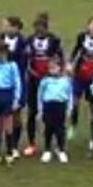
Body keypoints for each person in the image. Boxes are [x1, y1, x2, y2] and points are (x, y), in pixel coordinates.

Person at [22, 13, 62, 158]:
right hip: (33, 81)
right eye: (36, 28)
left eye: (41, 28)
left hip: (50, 82)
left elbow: (59, 58)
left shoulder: (54, 40)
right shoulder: (29, 41)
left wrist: (54, 73)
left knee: (52, 114)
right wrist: (31, 72)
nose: (39, 31)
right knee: (32, 112)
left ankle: (55, 144)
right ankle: (31, 143)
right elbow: (25, 60)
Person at [36, 57, 72, 164]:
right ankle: (47, 150)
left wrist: (69, 109)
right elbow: (40, 95)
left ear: (60, 68)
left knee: (60, 129)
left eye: (55, 68)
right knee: (48, 128)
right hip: (48, 106)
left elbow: (69, 95)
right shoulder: (45, 81)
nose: (52, 70)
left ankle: (61, 150)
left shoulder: (66, 81)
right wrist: (40, 110)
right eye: (50, 68)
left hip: (60, 106)